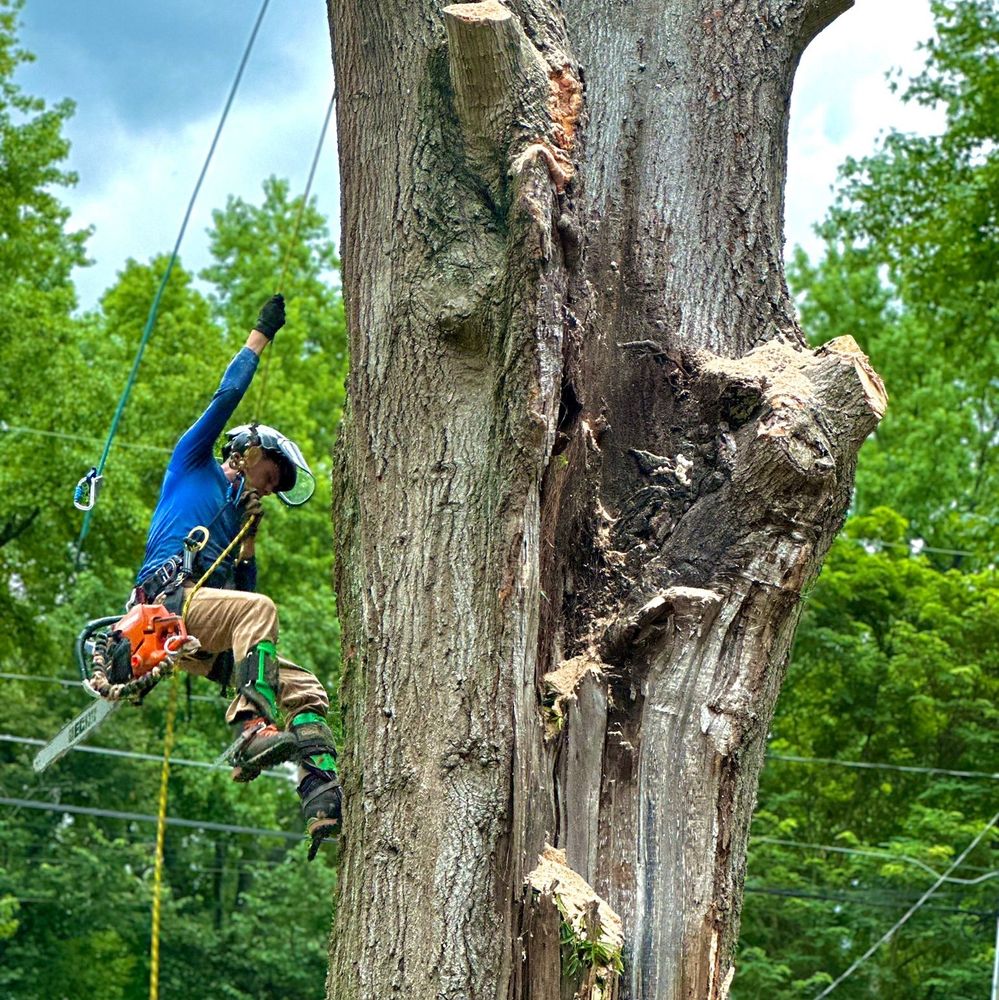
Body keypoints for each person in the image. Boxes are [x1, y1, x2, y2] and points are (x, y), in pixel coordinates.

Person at [131, 293, 340, 857]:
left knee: (307, 689)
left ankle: (321, 798)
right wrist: (259, 336)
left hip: (200, 628)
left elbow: (237, 608)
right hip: (164, 606)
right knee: (262, 610)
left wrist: (248, 540)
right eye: (267, 475)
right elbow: (226, 396)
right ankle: (251, 728)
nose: (265, 488)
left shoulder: (237, 526)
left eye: (273, 487)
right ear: (247, 452)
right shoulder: (192, 465)